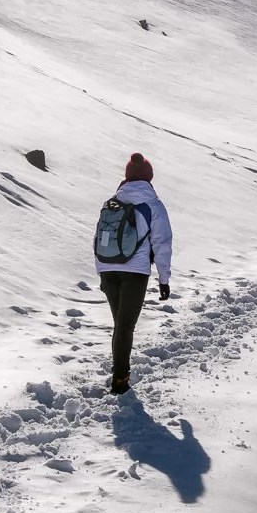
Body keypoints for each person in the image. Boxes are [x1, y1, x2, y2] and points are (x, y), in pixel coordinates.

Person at [95, 153, 173, 395]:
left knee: (120, 325)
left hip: (108, 270)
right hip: (135, 272)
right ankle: (120, 381)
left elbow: (98, 238)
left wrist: (102, 271)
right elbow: (162, 244)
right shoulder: (153, 206)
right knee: (124, 326)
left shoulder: (111, 202)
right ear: (149, 178)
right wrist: (164, 279)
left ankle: (120, 374)